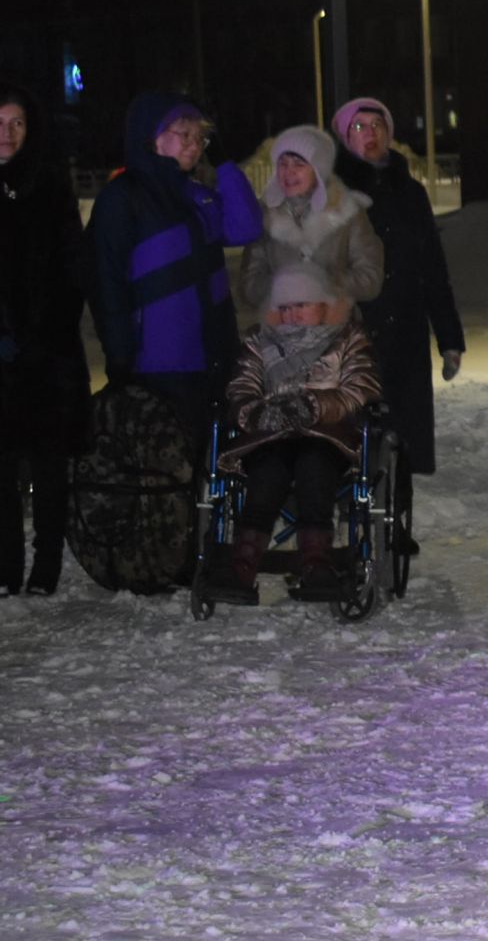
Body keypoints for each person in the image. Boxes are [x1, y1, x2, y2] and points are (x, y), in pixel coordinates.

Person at [86, 93, 263, 445]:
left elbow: (246, 227)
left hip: (212, 356)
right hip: (157, 363)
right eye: (185, 134)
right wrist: (119, 354)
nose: (195, 145)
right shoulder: (122, 197)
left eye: (201, 138)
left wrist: (225, 164)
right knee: (165, 472)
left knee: (209, 466)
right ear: (151, 136)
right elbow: (105, 280)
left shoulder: (198, 195)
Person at [204, 263, 380, 604]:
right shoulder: (259, 341)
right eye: (284, 307)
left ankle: (316, 562)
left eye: (301, 305)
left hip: (327, 436)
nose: (292, 314)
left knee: (314, 469)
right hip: (270, 436)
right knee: (267, 475)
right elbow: (241, 388)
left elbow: (360, 388)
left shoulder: (347, 340)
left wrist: (313, 406)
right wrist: (257, 412)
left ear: (323, 304)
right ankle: (242, 564)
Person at [334, 97, 464, 555]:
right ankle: (350, 521)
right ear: (344, 136)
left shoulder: (410, 191)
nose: (370, 134)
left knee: (401, 431)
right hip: (350, 331)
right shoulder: (332, 190)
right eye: (359, 127)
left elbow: (432, 266)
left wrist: (449, 337)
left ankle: (394, 521)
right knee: (351, 427)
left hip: (405, 329)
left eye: (377, 125)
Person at [0, 80, 88, 596]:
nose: (7, 134)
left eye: (17, 123)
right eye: (0, 124)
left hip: (48, 352)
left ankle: (46, 565)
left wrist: (43, 334)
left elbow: (70, 268)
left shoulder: (51, 187)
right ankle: (7, 567)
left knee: (50, 463)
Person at [241, 126, 383, 309]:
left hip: (336, 330)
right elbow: (248, 286)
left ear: (319, 170)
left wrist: (326, 282)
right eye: (282, 163)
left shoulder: (348, 213)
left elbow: (371, 279)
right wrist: (281, 286)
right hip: (282, 332)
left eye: (299, 164)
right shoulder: (264, 216)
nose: (288, 172)